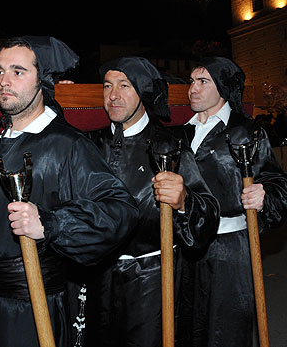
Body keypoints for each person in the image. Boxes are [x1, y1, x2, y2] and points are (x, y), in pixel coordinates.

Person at [0, 36, 139, 347]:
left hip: (27, 308)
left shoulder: (67, 145)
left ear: (43, 81)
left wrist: (51, 224)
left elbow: (121, 209)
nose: (4, 82)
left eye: (18, 72)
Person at [84, 56, 220, 347]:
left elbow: (208, 214)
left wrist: (184, 200)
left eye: (124, 85)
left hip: (152, 280)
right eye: (107, 86)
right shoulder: (89, 146)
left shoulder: (170, 146)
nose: (113, 95)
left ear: (144, 92)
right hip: (98, 279)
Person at [174, 57, 287, 347]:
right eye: (191, 81)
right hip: (185, 248)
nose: (193, 89)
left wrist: (264, 195)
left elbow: (278, 182)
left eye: (203, 82)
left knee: (227, 329)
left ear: (224, 88)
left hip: (230, 248)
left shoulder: (248, 133)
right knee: (188, 328)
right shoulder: (180, 134)